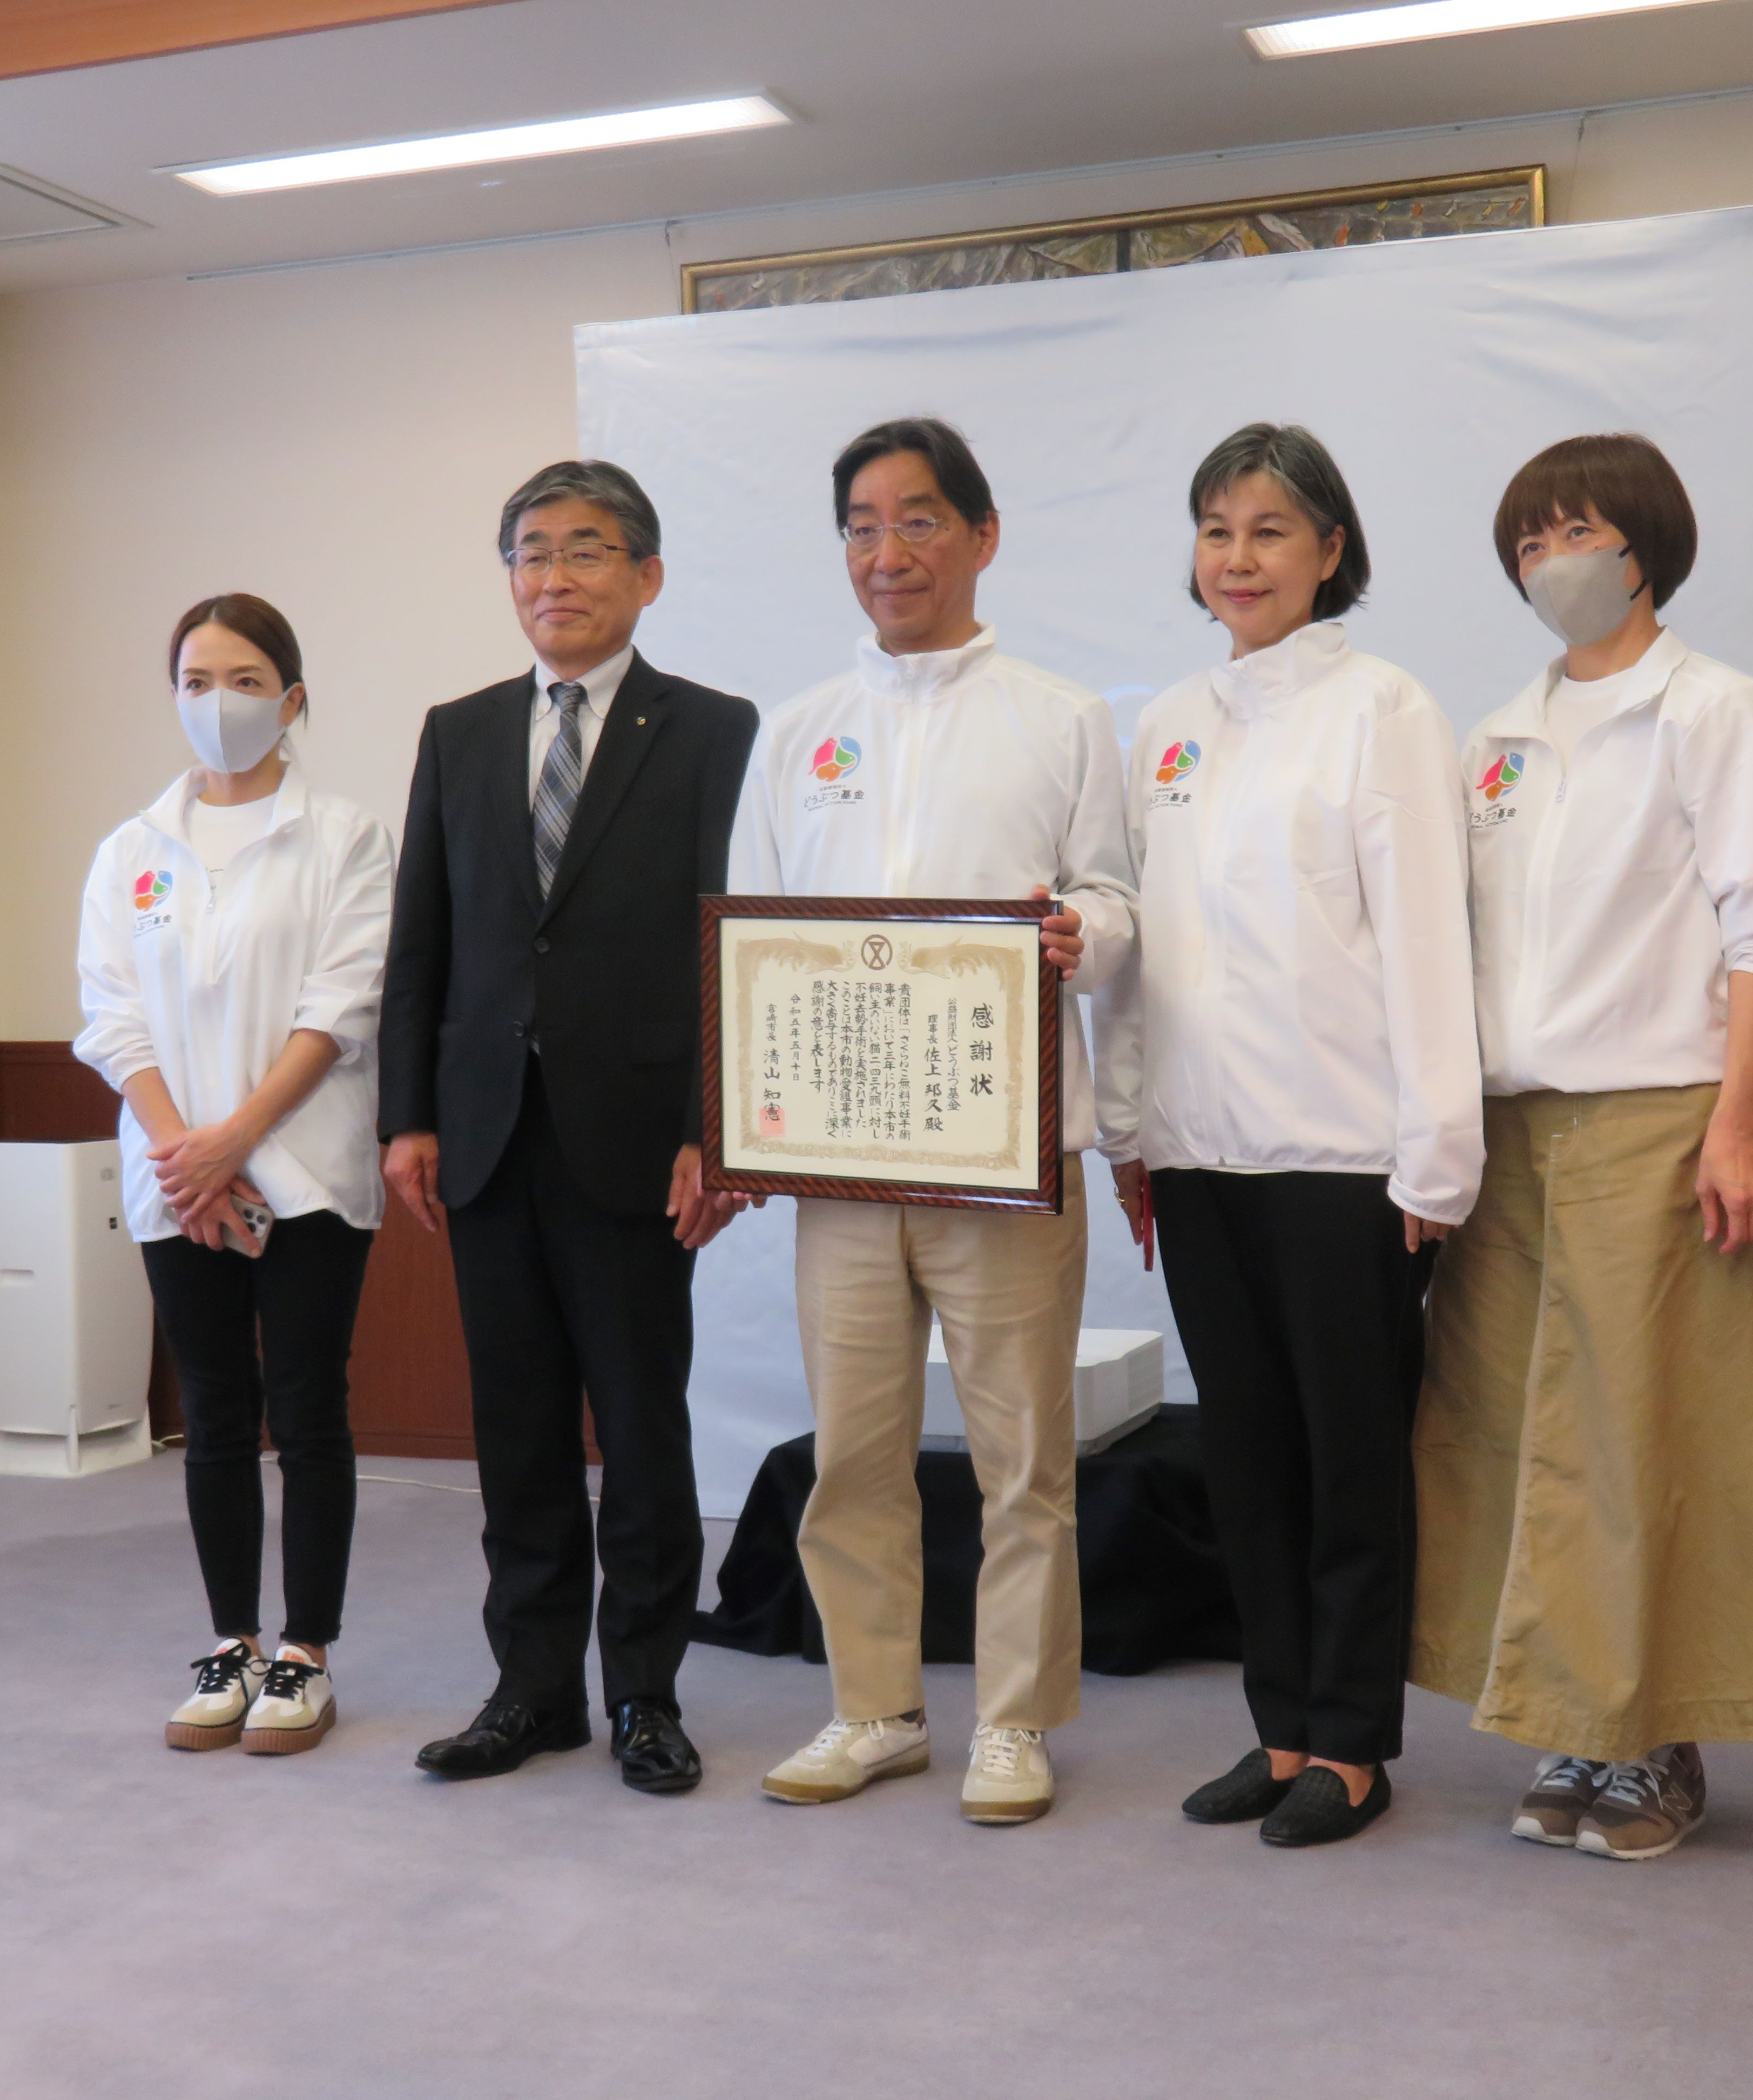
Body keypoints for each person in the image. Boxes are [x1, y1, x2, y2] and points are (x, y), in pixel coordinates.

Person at [1409, 432, 1753, 1861]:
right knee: (1518, 1437)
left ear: (1646, 545)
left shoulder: (1716, 710)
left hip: (1659, 1120)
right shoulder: (1495, 741)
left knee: (1648, 1434)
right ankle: (1572, 1720)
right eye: (1529, 542)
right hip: (1511, 1134)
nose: (1552, 561)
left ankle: (1658, 1740)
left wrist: (1737, 1124)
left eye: (1577, 532)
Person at [734, 416, 1137, 1826]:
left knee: (1024, 1459)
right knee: (854, 1453)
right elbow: (758, 945)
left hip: (1004, 1158)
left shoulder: (1059, 716)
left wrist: (1084, 932)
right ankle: (877, 1708)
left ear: (981, 536)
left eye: (915, 520)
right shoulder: (799, 733)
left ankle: (1013, 1721)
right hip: (843, 1162)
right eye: (860, 525)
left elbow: (1114, 899)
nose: (885, 551)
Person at [1096, 423, 1480, 1848]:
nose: (1238, 558)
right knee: (1247, 1456)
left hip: (1345, 1155)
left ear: (1331, 549)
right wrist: (1129, 1133)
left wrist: (1436, 1156)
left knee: (1351, 1459)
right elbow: (1144, 950)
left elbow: (1429, 943)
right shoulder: (1168, 722)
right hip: (1202, 1151)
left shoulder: (1386, 708)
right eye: (1217, 530)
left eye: (1269, 530)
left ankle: (1354, 1744)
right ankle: (1279, 1731)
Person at [380, 460, 758, 1794]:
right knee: (518, 1427)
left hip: (640, 1137)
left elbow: (729, 940)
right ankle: (531, 1689)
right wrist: (407, 1115)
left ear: (646, 575)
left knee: (643, 1427)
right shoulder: (460, 731)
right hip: (487, 1133)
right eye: (532, 551)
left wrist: (716, 1127)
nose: (556, 576)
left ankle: (644, 1693)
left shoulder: (712, 730)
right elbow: (421, 938)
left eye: (587, 549)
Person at [75, 594, 395, 1756]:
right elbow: (112, 1017)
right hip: (177, 1179)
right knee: (211, 1414)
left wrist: (236, 1141)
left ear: (293, 700)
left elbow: (342, 1004)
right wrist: (187, 1153)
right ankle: (233, 1641)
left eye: (248, 680)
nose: (221, 703)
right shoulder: (131, 851)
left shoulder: (344, 835)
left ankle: (305, 1651)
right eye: (198, 681)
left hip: (305, 1169)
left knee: (307, 1409)